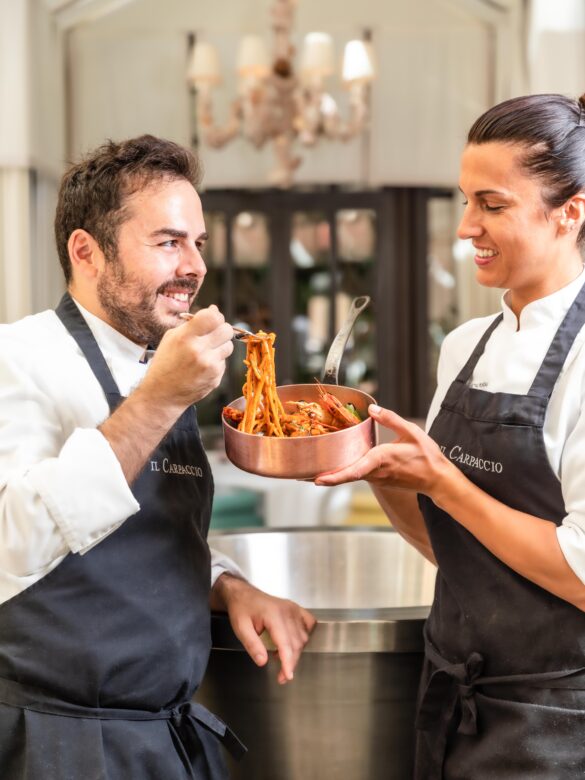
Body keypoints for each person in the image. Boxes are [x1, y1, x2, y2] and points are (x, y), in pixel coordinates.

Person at [0, 134, 315, 779]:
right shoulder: (17, 358)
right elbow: (13, 541)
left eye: (198, 242)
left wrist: (225, 585)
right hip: (57, 744)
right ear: (86, 251)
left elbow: (149, 533)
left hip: (167, 740)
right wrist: (159, 398)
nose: (195, 266)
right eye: (169, 242)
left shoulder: (158, 363)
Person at [316, 92, 585, 778]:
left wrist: (444, 483)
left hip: (557, 721)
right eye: (466, 202)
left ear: (571, 212)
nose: (466, 228)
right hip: (451, 701)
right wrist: (384, 472)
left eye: (491, 205)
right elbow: (454, 550)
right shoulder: (465, 345)